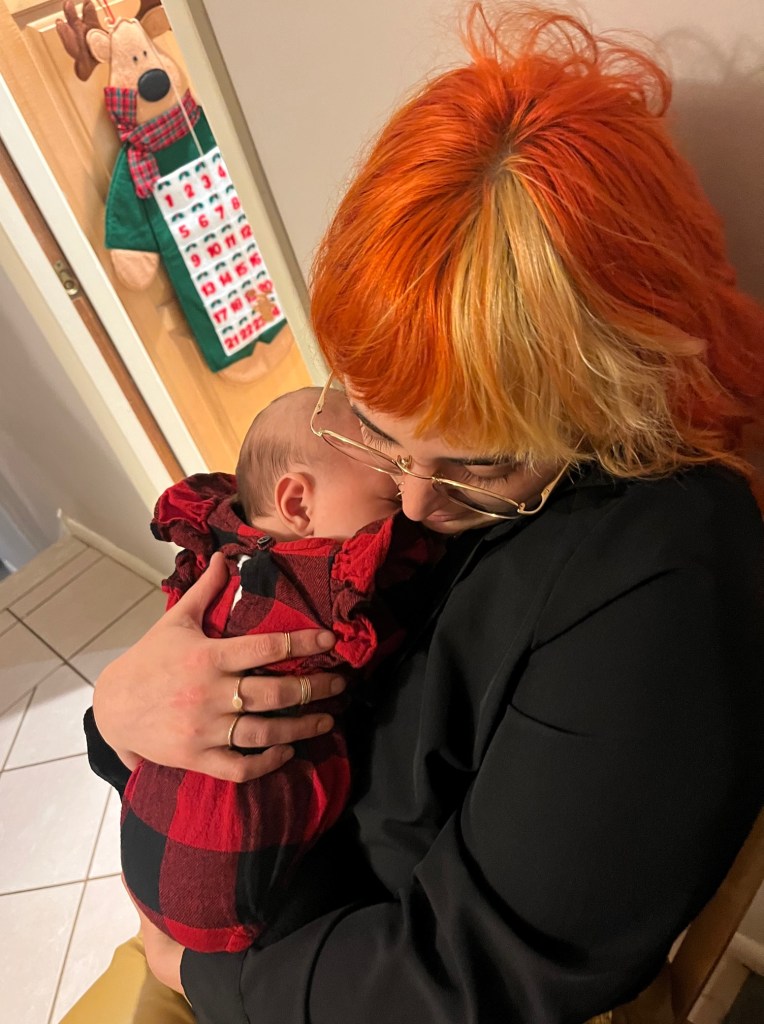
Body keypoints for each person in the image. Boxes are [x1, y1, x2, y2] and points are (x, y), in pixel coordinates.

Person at [81, 4, 763, 1023]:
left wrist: (206, 980)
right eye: (378, 433)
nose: (406, 503)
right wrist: (117, 716)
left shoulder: (660, 579)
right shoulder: (391, 473)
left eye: (479, 464)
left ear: (609, 399)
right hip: (262, 915)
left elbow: (478, 969)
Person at [116, 387, 435, 954]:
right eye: (391, 494)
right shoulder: (318, 587)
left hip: (144, 846)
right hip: (240, 887)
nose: (410, 506)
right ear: (298, 504)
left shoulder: (218, 551)